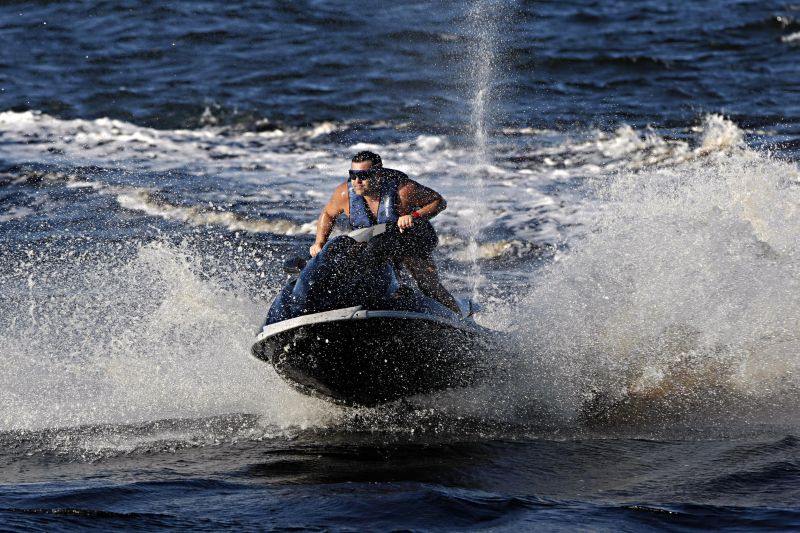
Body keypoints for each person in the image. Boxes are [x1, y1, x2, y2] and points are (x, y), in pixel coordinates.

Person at [310, 150, 460, 313]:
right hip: (377, 241)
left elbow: (438, 201)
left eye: (364, 175)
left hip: (411, 238)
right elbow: (328, 214)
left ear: (379, 174)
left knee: (428, 286)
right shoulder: (344, 194)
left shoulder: (403, 191)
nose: (357, 181)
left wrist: (414, 215)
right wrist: (319, 242)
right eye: (353, 175)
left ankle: (459, 317)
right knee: (355, 264)